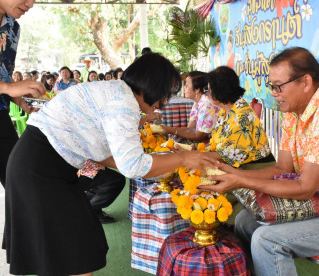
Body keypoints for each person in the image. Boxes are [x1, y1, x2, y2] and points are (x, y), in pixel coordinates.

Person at [4, 53, 215, 276]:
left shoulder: (117, 91)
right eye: (166, 92)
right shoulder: (123, 102)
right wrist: (182, 158)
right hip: (41, 171)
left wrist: (164, 163)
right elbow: (132, 166)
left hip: (39, 165)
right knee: (75, 253)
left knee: (73, 249)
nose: (164, 101)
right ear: (153, 84)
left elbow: (107, 154)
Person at [203, 47, 319, 276]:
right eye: (271, 86)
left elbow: (305, 188)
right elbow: (282, 168)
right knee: (245, 221)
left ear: (305, 82)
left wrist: (239, 179)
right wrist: (234, 174)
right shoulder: (292, 113)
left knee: (266, 240)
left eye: (278, 86)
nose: (274, 93)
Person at [0, 0, 45, 188]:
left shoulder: (12, 28)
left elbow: (3, 73)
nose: (31, 4)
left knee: (19, 184)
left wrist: (17, 98)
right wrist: (8, 88)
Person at [161, 71, 219, 144]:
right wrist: (168, 129)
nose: (184, 87)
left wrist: (171, 130)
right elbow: (190, 129)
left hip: (212, 143)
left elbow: (198, 136)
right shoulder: (197, 103)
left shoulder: (206, 105)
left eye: (187, 85)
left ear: (197, 90)